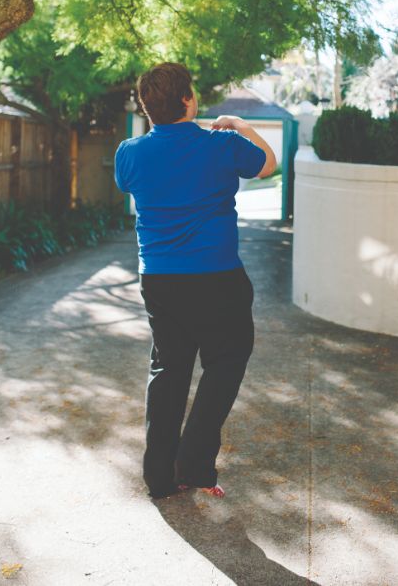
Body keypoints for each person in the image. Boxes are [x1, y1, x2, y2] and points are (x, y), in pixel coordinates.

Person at [114, 62, 277, 500]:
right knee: (225, 363)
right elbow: (270, 166)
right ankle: (194, 463)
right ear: (188, 100)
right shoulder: (222, 145)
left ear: (149, 108)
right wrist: (242, 126)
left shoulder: (128, 153)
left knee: (167, 371)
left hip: (160, 281)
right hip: (217, 279)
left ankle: (160, 477)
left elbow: (132, 183)